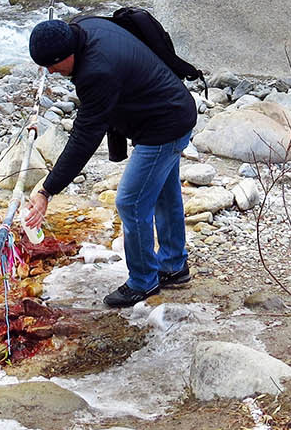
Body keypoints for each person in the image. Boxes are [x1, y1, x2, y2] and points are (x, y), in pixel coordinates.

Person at [24, 16, 198, 307]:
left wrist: (46, 190)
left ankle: (143, 281)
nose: (51, 72)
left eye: (52, 65)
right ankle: (174, 265)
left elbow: (84, 139)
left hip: (163, 127)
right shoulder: (84, 28)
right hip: (172, 110)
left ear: (68, 54)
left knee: (131, 201)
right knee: (164, 195)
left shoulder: (97, 70)